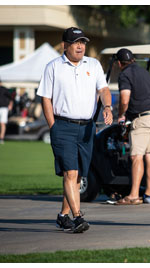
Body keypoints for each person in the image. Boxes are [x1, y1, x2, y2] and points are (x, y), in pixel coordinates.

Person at [37, 27, 113, 233]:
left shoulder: (94, 64)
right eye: (76, 42)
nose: (80, 46)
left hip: (86, 128)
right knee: (70, 173)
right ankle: (78, 217)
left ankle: (63, 216)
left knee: (77, 176)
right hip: (63, 126)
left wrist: (107, 106)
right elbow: (45, 97)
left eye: (83, 42)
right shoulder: (53, 66)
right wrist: (53, 126)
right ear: (65, 45)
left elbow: (104, 89)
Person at [116, 48, 150, 205]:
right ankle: (149, 195)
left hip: (142, 119)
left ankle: (134, 195)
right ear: (133, 60)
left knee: (136, 157)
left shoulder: (124, 74)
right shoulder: (144, 72)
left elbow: (124, 100)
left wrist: (121, 115)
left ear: (119, 63)